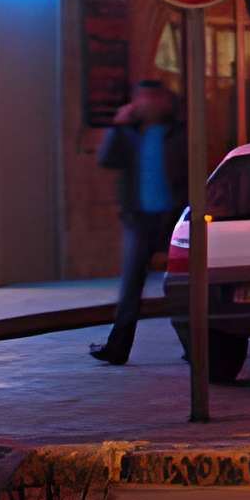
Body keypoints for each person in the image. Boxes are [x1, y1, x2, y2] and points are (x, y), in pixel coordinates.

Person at [91, 77, 188, 366]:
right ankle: (118, 348)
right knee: (131, 287)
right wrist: (118, 125)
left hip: (174, 221)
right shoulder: (130, 134)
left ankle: (197, 348)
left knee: (184, 287)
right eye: (142, 97)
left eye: (154, 97)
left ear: (166, 101)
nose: (148, 103)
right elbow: (107, 160)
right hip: (139, 220)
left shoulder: (179, 133)